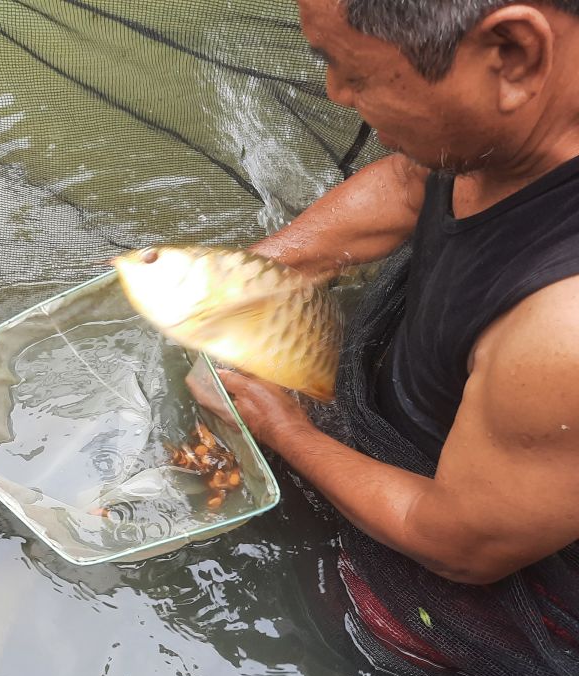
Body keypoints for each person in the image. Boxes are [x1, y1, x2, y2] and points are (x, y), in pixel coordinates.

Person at [195, 0, 579, 586]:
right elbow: (414, 182)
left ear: (514, 52)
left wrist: (284, 428)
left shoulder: (562, 332)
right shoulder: (506, 126)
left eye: (359, 74)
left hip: (472, 564)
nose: (335, 93)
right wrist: (257, 275)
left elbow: (460, 546)